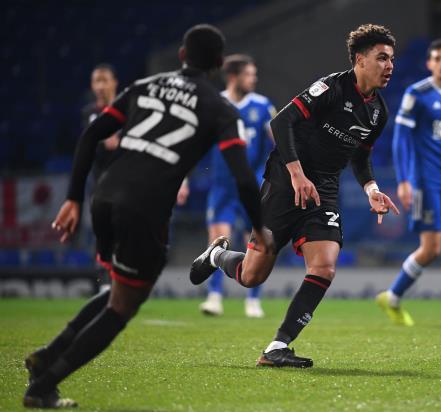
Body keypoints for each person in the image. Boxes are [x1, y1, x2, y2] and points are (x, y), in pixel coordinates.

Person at [22, 24, 270, 408]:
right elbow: (243, 177)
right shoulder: (220, 108)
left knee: (114, 291)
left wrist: (72, 198)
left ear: (182, 56)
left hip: (103, 198)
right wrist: (259, 227)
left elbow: (89, 136)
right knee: (123, 306)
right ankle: (43, 386)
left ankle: (48, 356)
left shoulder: (145, 85)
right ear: (219, 65)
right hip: (145, 208)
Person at [190, 23, 399, 368]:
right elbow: (280, 123)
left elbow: (360, 156)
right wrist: (297, 174)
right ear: (360, 60)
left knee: (325, 266)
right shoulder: (330, 87)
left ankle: (277, 346)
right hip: (286, 181)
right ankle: (217, 257)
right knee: (252, 275)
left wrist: (372, 189)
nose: (390, 65)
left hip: (324, 190)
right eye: (382, 58)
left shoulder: (378, 111)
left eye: (392, 59)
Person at [376, 39, 441, 327]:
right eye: (437, 58)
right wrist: (404, 180)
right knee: (431, 249)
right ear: (429, 64)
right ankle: (393, 296)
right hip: (427, 183)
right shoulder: (418, 94)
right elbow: (401, 139)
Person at [198, 54, 276, 318]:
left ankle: (253, 300)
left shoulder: (263, 106)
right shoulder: (214, 104)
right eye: (248, 74)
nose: (253, 79)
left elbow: (275, 144)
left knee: (255, 241)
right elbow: (198, 144)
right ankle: (215, 297)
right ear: (233, 77)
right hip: (221, 186)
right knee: (217, 240)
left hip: (252, 186)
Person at [81, 63, 120, 292]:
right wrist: (101, 141)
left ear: (114, 82)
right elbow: (85, 148)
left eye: (104, 80)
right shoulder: (89, 114)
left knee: (125, 234)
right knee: (103, 234)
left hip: (128, 184)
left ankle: (122, 280)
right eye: (97, 81)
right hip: (100, 185)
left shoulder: (129, 109)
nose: (100, 86)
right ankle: (105, 283)